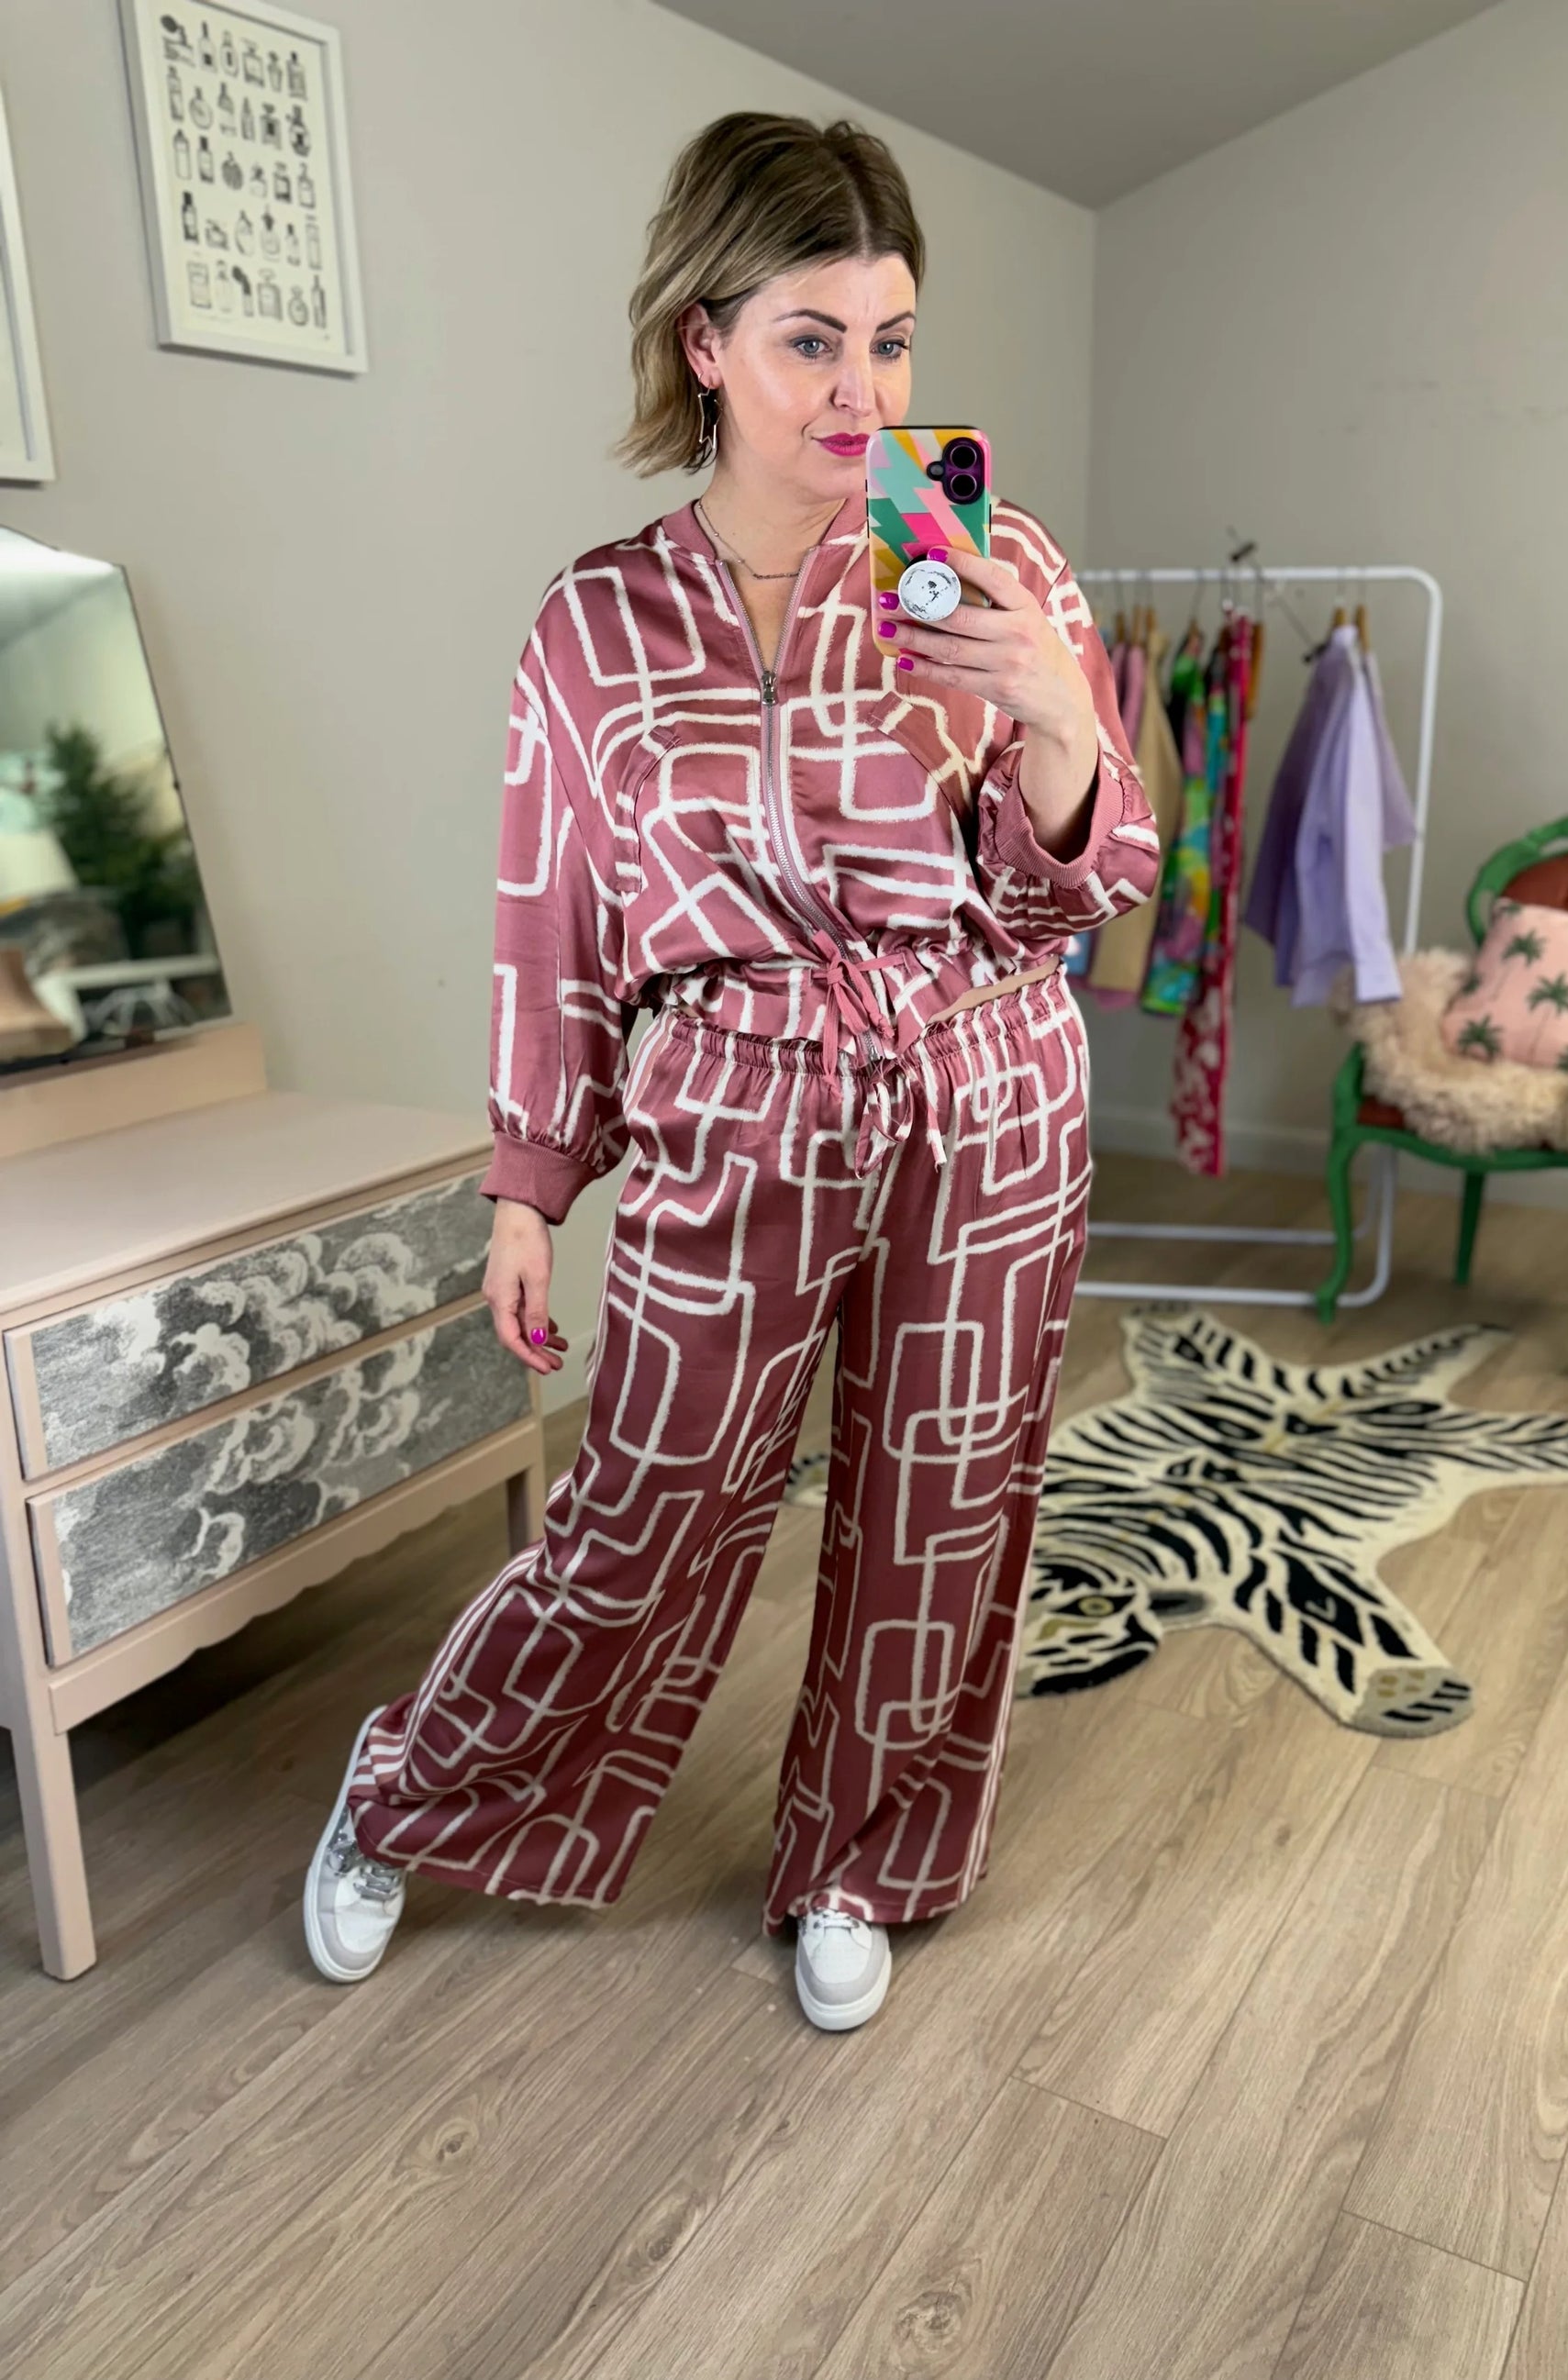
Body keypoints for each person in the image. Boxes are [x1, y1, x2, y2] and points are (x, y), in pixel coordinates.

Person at [304, 112, 1158, 2031]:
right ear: (704, 337)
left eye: (894, 340)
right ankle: (412, 1788)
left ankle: (861, 1852)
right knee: (644, 1502)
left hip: (986, 1083)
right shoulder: (592, 628)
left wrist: (1050, 725)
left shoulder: (988, 556)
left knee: (943, 1500)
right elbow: (552, 927)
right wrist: (530, 1185)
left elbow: (1091, 886)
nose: (863, 393)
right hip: (737, 1098)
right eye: (810, 340)